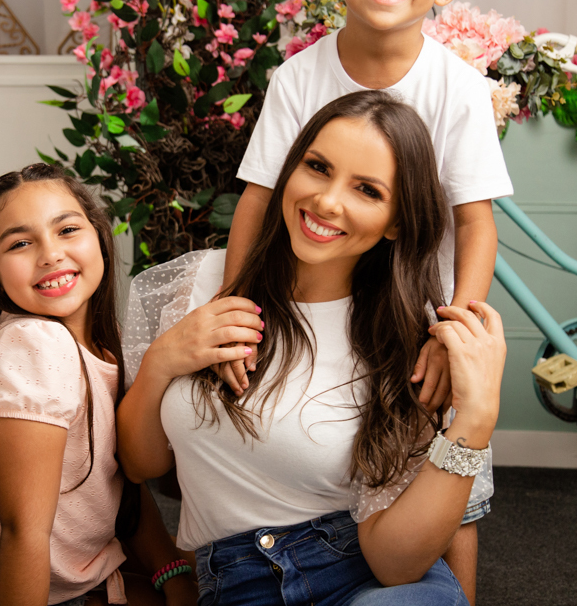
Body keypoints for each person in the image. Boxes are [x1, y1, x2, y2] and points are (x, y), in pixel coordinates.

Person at [220, 0, 512, 600]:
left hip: (417, 316)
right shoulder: (298, 78)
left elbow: (476, 223)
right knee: (339, 463)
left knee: (449, 492)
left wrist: (452, 334)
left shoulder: (458, 90)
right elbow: (257, 201)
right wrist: (235, 309)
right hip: (320, 305)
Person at [118, 92, 506, 605]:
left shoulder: (403, 344)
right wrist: (161, 362)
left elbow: (394, 566)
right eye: (318, 167)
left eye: (367, 189)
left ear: (396, 221)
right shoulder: (201, 285)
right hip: (238, 584)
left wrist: (475, 420)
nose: (327, 201)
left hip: (362, 578)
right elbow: (140, 465)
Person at [0, 164, 199, 606]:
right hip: (9, 589)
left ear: (99, 236)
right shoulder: (36, 344)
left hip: (85, 573)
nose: (50, 254)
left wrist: (172, 575)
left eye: (67, 230)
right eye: (20, 243)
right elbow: (24, 532)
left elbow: (120, 484)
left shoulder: (107, 344)